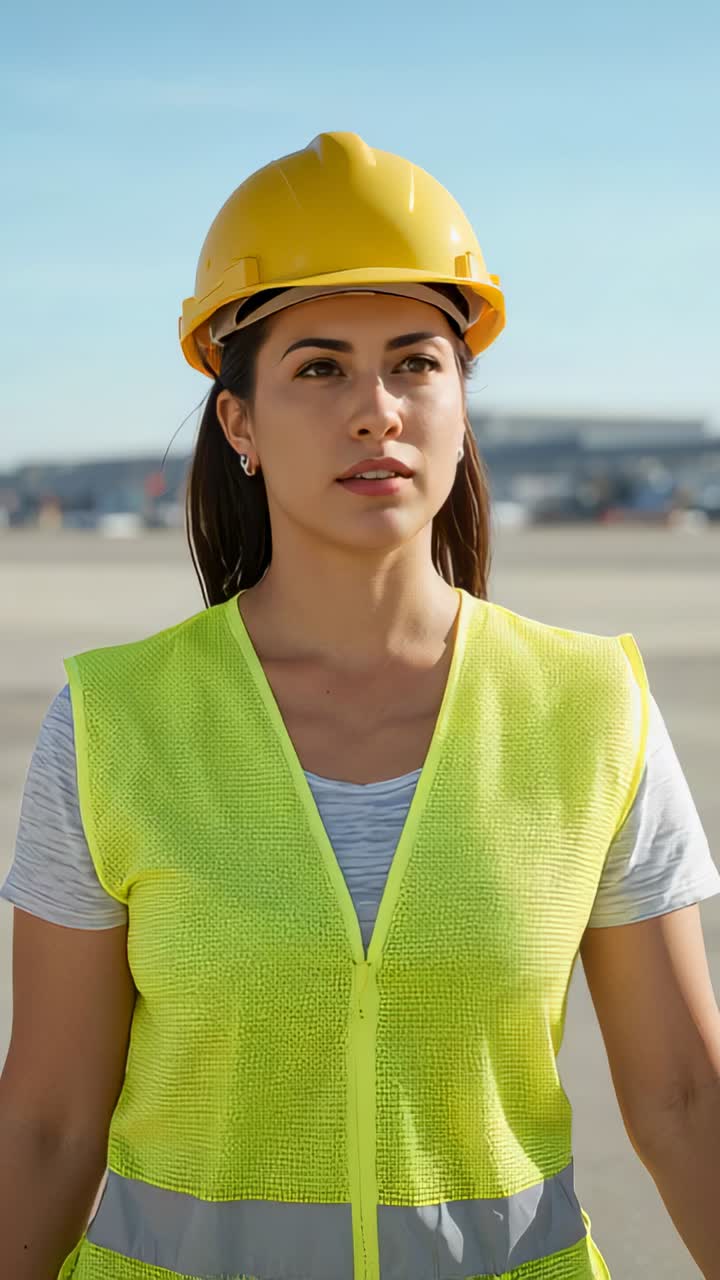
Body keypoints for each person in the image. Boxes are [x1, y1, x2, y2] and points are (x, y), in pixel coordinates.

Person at [0, 131, 719, 1280]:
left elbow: (685, 1098)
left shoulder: (596, 708)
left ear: (461, 399)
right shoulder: (111, 724)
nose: (376, 409)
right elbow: (44, 1124)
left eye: (417, 362)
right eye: (320, 366)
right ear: (238, 422)